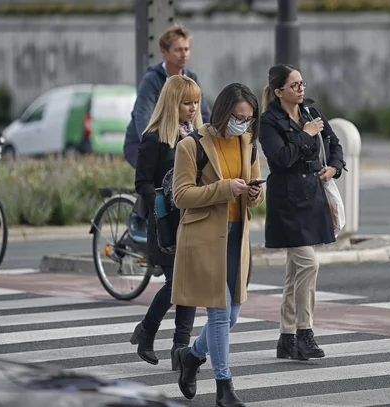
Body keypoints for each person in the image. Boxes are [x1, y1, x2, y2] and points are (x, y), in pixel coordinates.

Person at [171, 83, 264, 407]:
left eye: (249, 119)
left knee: (233, 314)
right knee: (221, 313)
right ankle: (224, 387)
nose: (244, 124)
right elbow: (181, 195)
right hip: (205, 238)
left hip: (237, 238)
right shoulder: (190, 145)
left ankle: (192, 357)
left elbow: (255, 189)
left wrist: (255, 193)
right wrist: (224, 188)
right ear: (224, 112)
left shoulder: (248, 142)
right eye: (239, 117)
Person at [259, 64, 345, 360]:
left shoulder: (311, 111)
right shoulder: (268, 121)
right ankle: (305, 332)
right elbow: (280, 159)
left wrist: (334, 167)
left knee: (295, 271)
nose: (301, 89)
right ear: (279, 91)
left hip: (312, 200)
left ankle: (286, 338)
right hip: (287, 204)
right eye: (294, 85)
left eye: (302, 83)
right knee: (309, 265)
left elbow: (335, 143)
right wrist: (306, 135)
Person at [130, 75, 204, 369]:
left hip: (193, 219)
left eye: (196, 102)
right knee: (178, 284)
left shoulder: (197, 136)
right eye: (187, 102)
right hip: (165, 223)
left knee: (191, 285)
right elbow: (141, 182)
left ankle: (179, 348)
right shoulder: (156, 137)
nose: (193, 108)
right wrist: (164, 198)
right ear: (172, 103)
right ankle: (147, 331)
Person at [123, 24, 211, 169]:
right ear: (164, 52)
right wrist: (150, 147)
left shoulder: (191, 77)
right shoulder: (152, 79)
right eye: (178, 50)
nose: (184, 54)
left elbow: (205, 114)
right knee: (155, 179)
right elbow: (142, 117)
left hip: (176, 142)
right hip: (140, 143)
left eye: (186, 49)